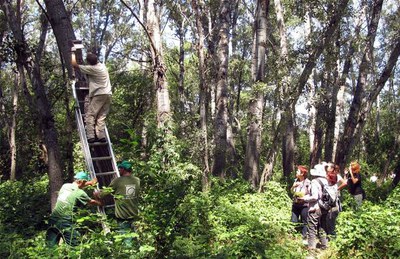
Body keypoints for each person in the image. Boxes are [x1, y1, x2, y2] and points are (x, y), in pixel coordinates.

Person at [46, 172, 102, 247]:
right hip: (65, 222)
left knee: (50, 247)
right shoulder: (80, 193)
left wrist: (90, 183)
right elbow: (92, 202)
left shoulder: (65, 186)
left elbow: (78, 185)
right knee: (75, 246)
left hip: (53, 220)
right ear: (80, 182)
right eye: (85, 182)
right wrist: (100, 201)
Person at [96, 160, 140, 246]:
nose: (119, 170)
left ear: (124, 169)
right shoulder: (137, 180)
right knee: (135, 237)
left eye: (120, 168)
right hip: (134, 214)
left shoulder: (118, 181)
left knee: (127, 240)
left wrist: (96, 193)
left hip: (123, 216)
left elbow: (102, 195)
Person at [71, 51, 112, 143]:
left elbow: (74, 64)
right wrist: (90, 54)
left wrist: (73, 53)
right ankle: (101, 136)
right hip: (108, 94)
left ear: (89, 63)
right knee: (101, 116)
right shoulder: (102, 66)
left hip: (99, 94)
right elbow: (93, 59)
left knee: (90, 115)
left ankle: (90, 136)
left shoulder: (92, 69)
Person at [297, 163, 329, 251]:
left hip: (315, 207)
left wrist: (304, 198)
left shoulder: (315, 181)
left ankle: (311, 249)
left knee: (311, 228)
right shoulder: (326, 181)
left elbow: (315, 196)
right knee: (322, 227)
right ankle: (324, 246)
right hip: (325, 207)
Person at [325, 163, 346, 237]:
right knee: (328, 216)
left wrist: (337, 189)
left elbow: (344, 183)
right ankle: (328, 233)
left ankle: (332, 234)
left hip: (334, 197)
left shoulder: (337, 176)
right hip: (327, 197)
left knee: (332, 214)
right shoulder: (327, 175)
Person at [290, 165, 311, 242]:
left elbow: (310, 193)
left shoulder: (308, 182)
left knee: (304, 221)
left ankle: (304, 237)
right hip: (295, 204)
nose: (296, 172)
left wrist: (304, 195)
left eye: (298, 171)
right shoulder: (296, 181)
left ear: (302, 173)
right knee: (293, 220)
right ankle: (291, 237)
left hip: (304, 205)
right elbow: (292, 192)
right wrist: (293, 186)